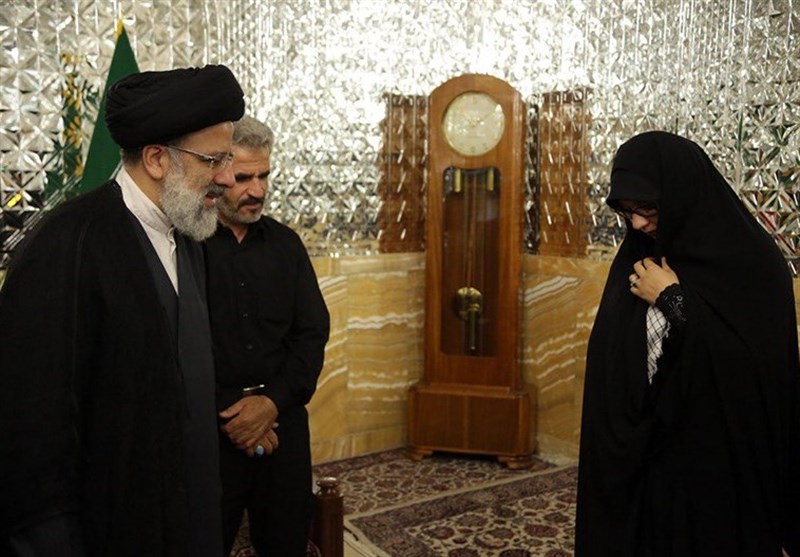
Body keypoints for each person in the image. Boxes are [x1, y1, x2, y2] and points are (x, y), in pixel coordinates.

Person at [0, 65, 245, 557]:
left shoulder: (189, 234)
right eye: (213, 160)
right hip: (111, 528)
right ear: (156, 159)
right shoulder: (68, 243)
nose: (226, 178)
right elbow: (32, 428)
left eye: (228, 159)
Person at [575, 130, 800, 556]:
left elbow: (758, 374)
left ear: (681, 192)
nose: (637, 223)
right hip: (647, 460)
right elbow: (612, 361)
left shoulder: (755, 266)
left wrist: (674, 299)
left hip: (717, 464)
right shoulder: (636, 256)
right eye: (626, 211)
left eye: (647, 208)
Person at [204, 116, 330, 557]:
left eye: (264, 176)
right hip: (210, 431)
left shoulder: (286, 245)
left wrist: (271, 403)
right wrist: (236, 418)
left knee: (286, 541)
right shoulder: (184, 246)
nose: (256, 190)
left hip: (283, 425)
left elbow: (311, 334)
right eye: (243, 178)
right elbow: (173, 346)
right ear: (217, 174)